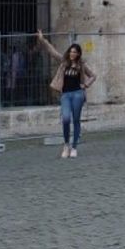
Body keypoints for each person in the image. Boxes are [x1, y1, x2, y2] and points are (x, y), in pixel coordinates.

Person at [36, 29, 96, 158]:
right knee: (66, 119)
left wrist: (85, 85)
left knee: (76, 120)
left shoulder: (81, 65)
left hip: (78, 94)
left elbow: (93, 76)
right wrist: (42, 39)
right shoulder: (64, 62)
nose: (72, 54)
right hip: (66, 95)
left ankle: (74, 147)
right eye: (71, 51)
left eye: (75, 52)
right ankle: (66, 145)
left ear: (78, 54)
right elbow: (52, 51)